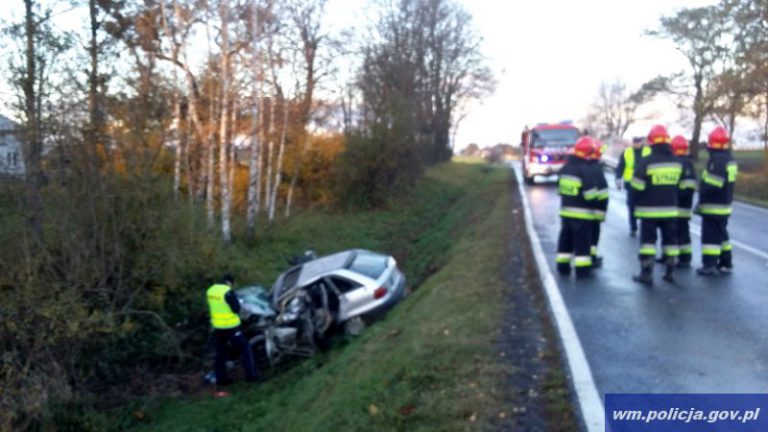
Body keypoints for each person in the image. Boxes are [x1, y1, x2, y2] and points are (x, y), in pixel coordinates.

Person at [631, 125, 683, 285]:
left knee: (648, 243)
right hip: (670, 211)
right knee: (670, 242)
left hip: (649, 211)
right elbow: (680, 187)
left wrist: (635, 204)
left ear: (651, 143)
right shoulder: (677, 162)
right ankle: (671, 272)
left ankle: (646, 274)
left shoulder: (647, 162)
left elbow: (636, 187)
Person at [207, 273, 261, 394]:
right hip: (230, 327)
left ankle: (222, 379)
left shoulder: (211, 290)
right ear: (230, 282)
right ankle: (251, 376)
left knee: (220, 353)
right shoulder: (228, 291)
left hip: (217, 327)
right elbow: (236, 308)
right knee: (245, 348)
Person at [556, 136, 600, 278]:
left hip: (566, 212)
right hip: (582, 214)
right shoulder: (586, 169)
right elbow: (590, 195)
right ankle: (582, 271)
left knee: (565, 239)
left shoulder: (565, 168)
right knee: (582, 243)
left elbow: (560, 189)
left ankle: (563, 266)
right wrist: (596, 200)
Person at [696, 126, 738, 276]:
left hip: (713, 206)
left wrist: (701, 194)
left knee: (710, 236)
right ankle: (726, 261)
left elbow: (713, 184)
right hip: (724, 205)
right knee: (722, 234)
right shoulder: (729, 159)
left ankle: (709, 265)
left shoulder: (717, 160)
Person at [616, 136, 651, 237]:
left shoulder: (648, 151)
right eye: (634, 141)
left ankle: (644, 226)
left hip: (645, 183)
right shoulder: (627, 152)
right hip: (630, 183)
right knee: (631, 205)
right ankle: (633, 227)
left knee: (645, 206)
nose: (636, 143)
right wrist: (618, 178)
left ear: (641, 142)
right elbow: (621, 166)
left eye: (638, 142)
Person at [671, 135, 698, 268]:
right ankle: (673, 257)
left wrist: (674, 196)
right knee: (676, 232)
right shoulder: (685, 162)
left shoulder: (684, 164)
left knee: (680, 233)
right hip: (679, 206)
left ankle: (684, 259)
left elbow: (688, 187)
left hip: (680, 206)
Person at [588, 140, 610, 267]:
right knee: (593, 234)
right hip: (594, 210)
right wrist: (602, 212)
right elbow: (603, 193)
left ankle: (587, 257)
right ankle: (591, 257)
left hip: (582, 210)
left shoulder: (581, 166)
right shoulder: (596, 169)